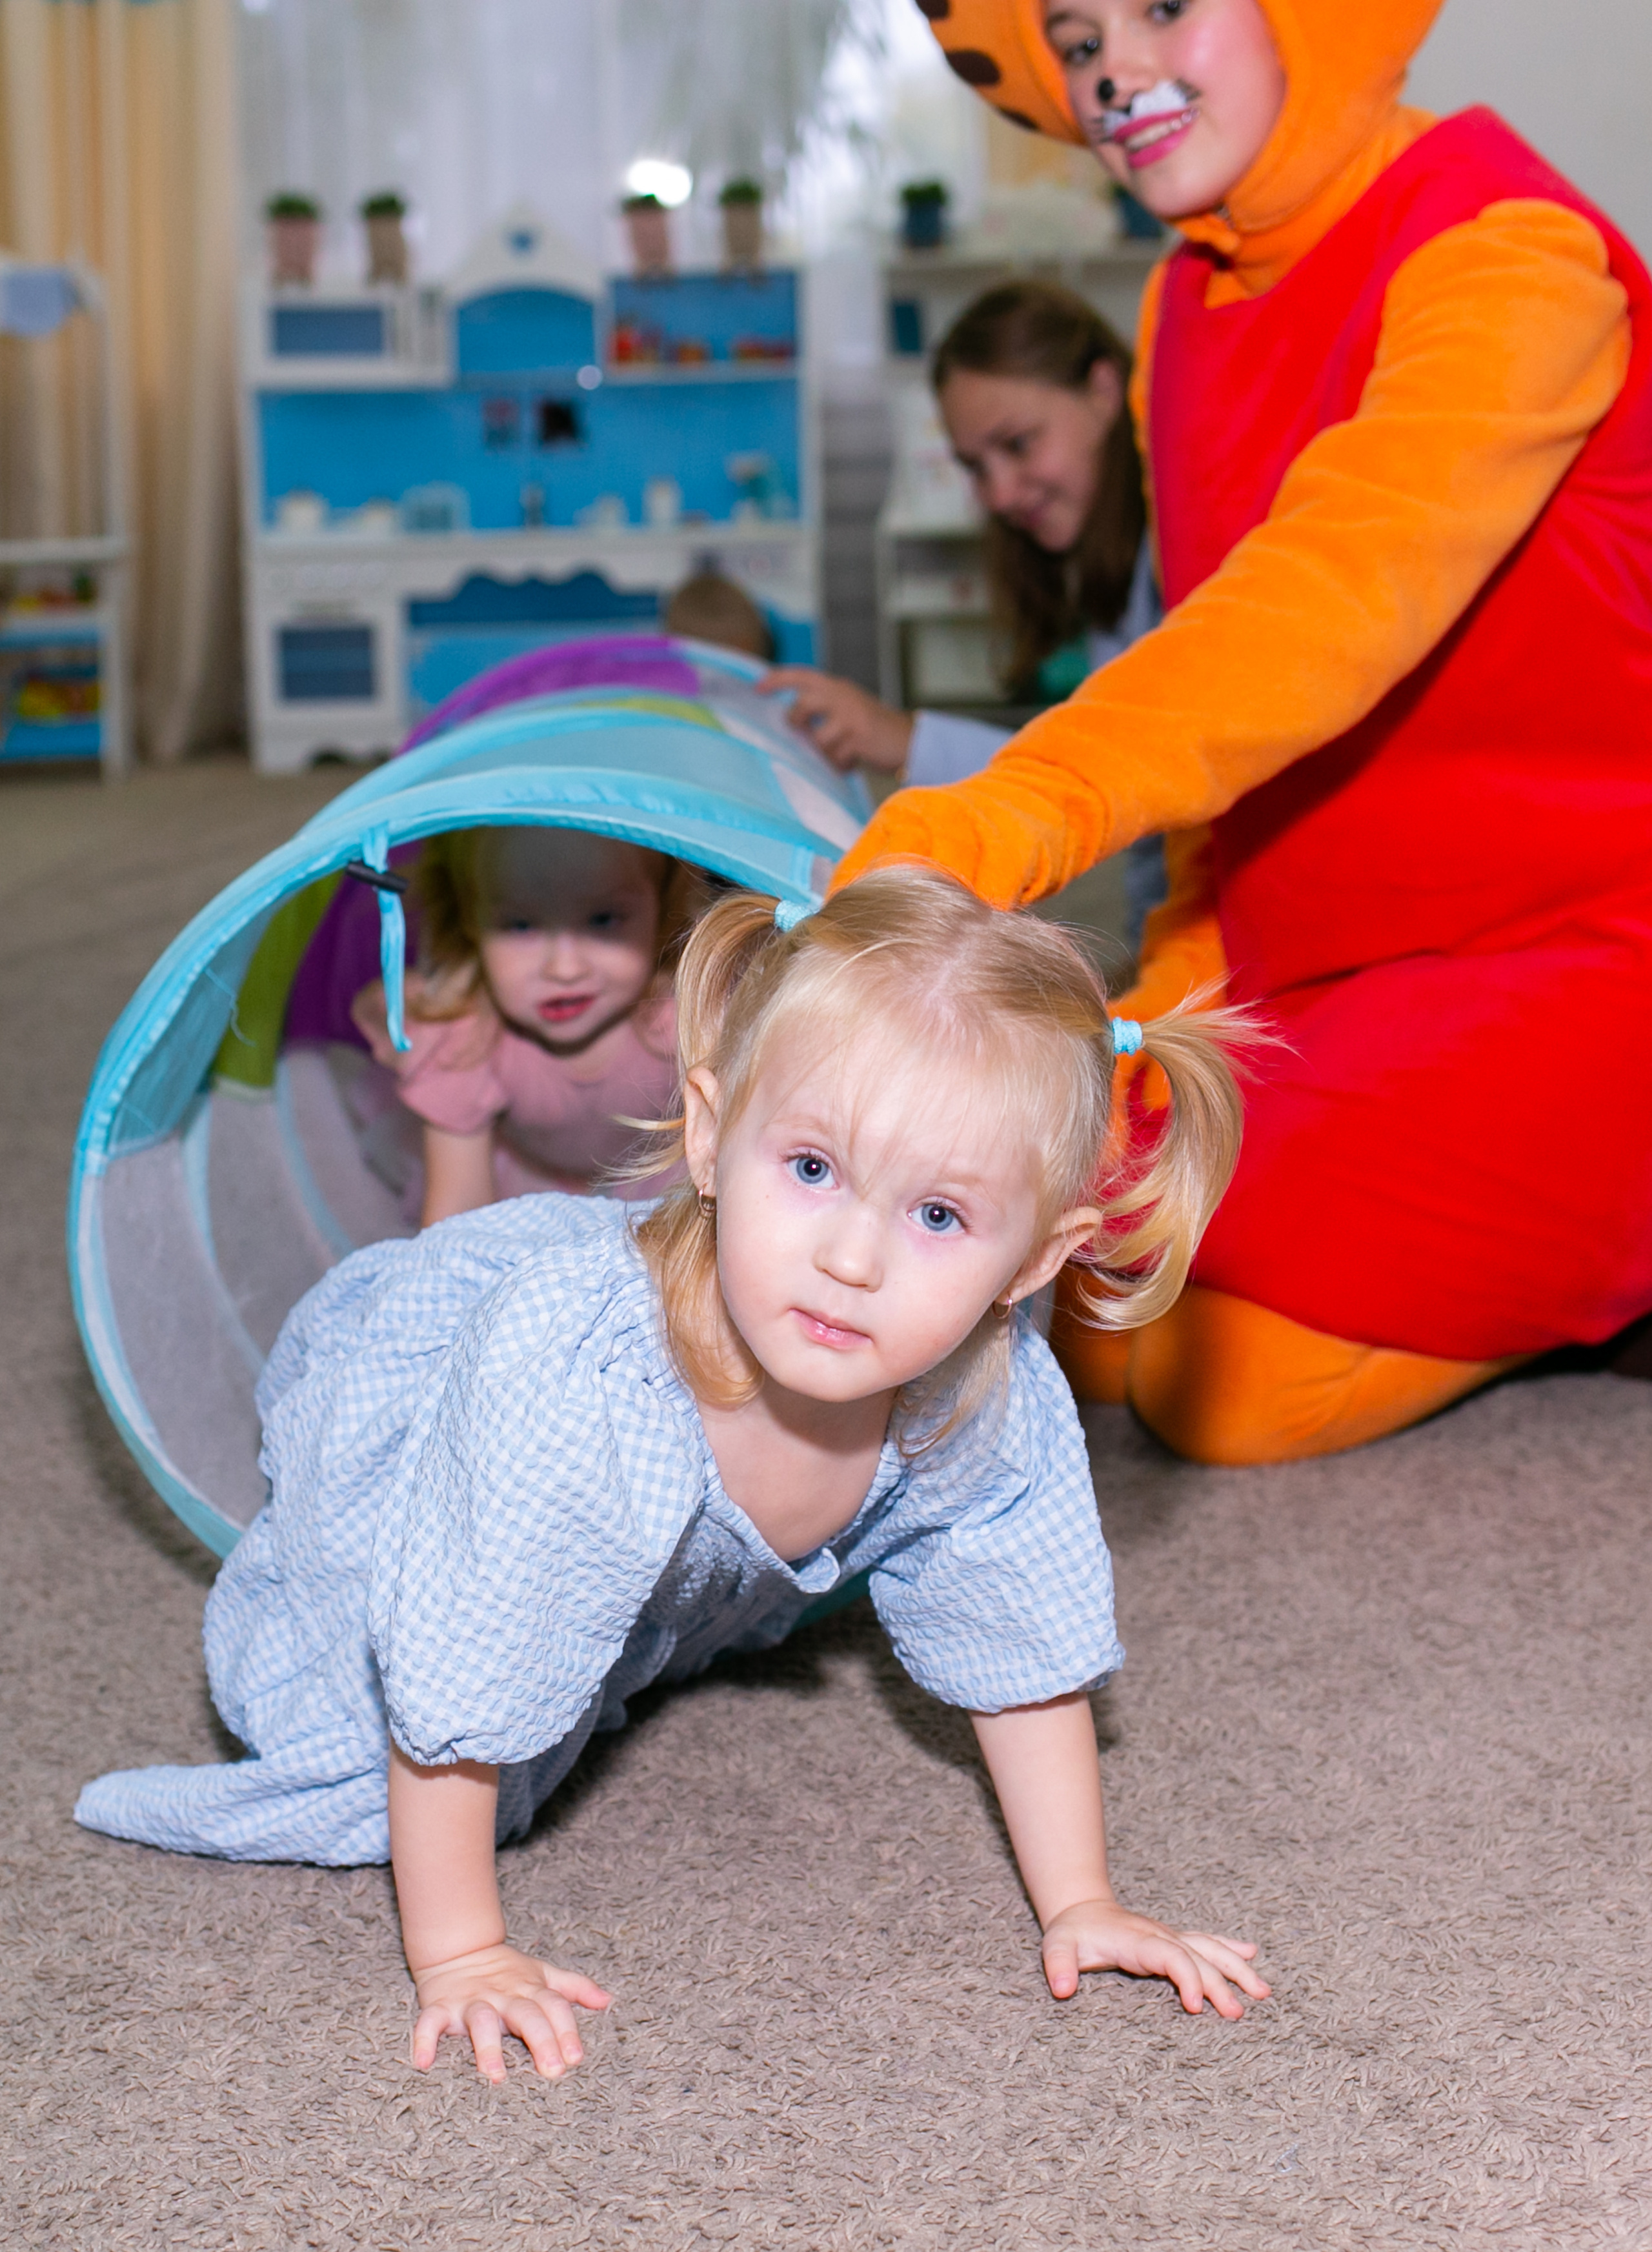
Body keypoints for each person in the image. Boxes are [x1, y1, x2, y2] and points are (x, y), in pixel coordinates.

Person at [77, 868, 1269, 2083]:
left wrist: (1084, 1902)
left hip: (631, 1534)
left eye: (941, 1218)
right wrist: (461, 1952)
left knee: (619, 1631)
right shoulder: (580, 1375)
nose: (851, 1257)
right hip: (445, 1489)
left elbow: (1023, 1649)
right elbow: (463, 1660)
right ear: (708, 1136)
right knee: (374, 1760)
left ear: (1036, 1264)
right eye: (810, 1170)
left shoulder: (989, 1393)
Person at [832, 0, 1652, 1465]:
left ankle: (1597, 1257)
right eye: (1077, 42)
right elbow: (1226, 755)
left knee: (1223, 1386)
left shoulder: (1509, 251)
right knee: (1081, 1283)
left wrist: (1009, 810)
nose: (1112, 75)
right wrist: (1161, 1019)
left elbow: (1320, 600)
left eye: (1158, 8)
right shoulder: (1173, 308)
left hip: (1586, 943)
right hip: (1326, 959)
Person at [763, 280, 1167, 947]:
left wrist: (901, 737)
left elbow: (1116, 775)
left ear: (1103, 389)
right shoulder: (1116, 571)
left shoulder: (1168, 555)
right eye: (974, 467)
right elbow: (1100, 759)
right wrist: (895, 736)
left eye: (1018, 444)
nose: (1000, 492)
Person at [352, 825, 705, 1227]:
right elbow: (456, 1224)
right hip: (519, 1185)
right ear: (468, 920)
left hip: (663, 1176)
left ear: (663, 909)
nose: (565, 969)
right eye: (520, 926)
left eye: (605, 919)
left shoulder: (691, 1015)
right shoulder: (467, 1040)